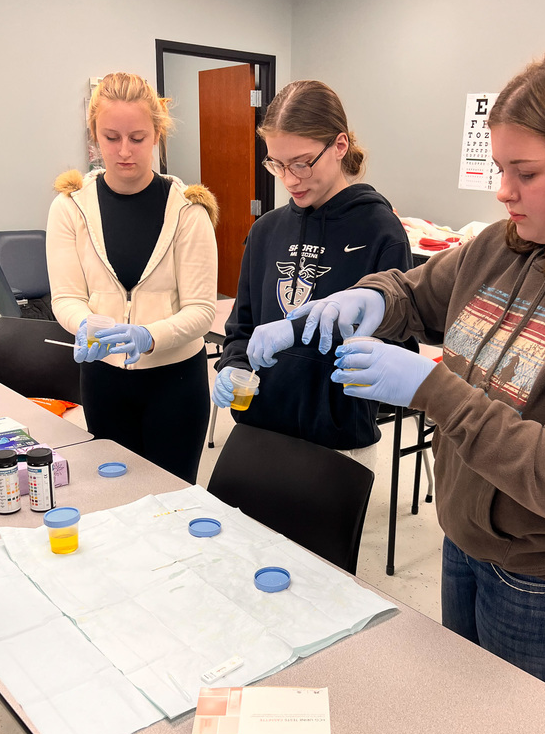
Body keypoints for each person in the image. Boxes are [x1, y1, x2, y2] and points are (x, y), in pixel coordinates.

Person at [286, 51, 545, 703]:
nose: (502, 191)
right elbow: (418, 294)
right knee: (468, 721)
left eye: (525, 172)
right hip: (471, 538)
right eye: (500, 168)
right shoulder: (504, 245)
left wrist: (430, 390)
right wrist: (373, 299)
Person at [212, 79, 413, 466]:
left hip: (338, 444)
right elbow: (242, 329)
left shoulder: (380, 231)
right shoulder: (266, 231)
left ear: (340, 146)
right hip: (259, 431)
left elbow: (397, 348)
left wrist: (306, 340)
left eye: (302, 162)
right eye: (277, 164)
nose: (289, 179)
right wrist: (234, 365)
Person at [46, 72, 218, 483]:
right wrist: (82, 323)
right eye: (111, 137)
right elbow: (65, 297)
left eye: (138, 138)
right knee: (114, 498)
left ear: (157, 134)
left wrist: (149, 335)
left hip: (175, 382)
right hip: (104, 380)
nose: (124, 151)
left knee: (172, 503)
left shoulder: (188, 211)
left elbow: (202, 311)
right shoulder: (70, 208)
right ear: (94, 136)